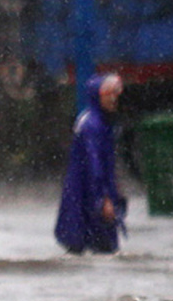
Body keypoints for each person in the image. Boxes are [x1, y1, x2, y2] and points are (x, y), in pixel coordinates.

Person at [53, 73, 126, 254]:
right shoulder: (93, 125)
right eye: (109, 95)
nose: (113, 99)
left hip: (86, 194)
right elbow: (95, 166)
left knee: (87, 248)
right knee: (98, 248)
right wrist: (104, 199)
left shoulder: (97, 122)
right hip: (87, 195)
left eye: (115, 95)